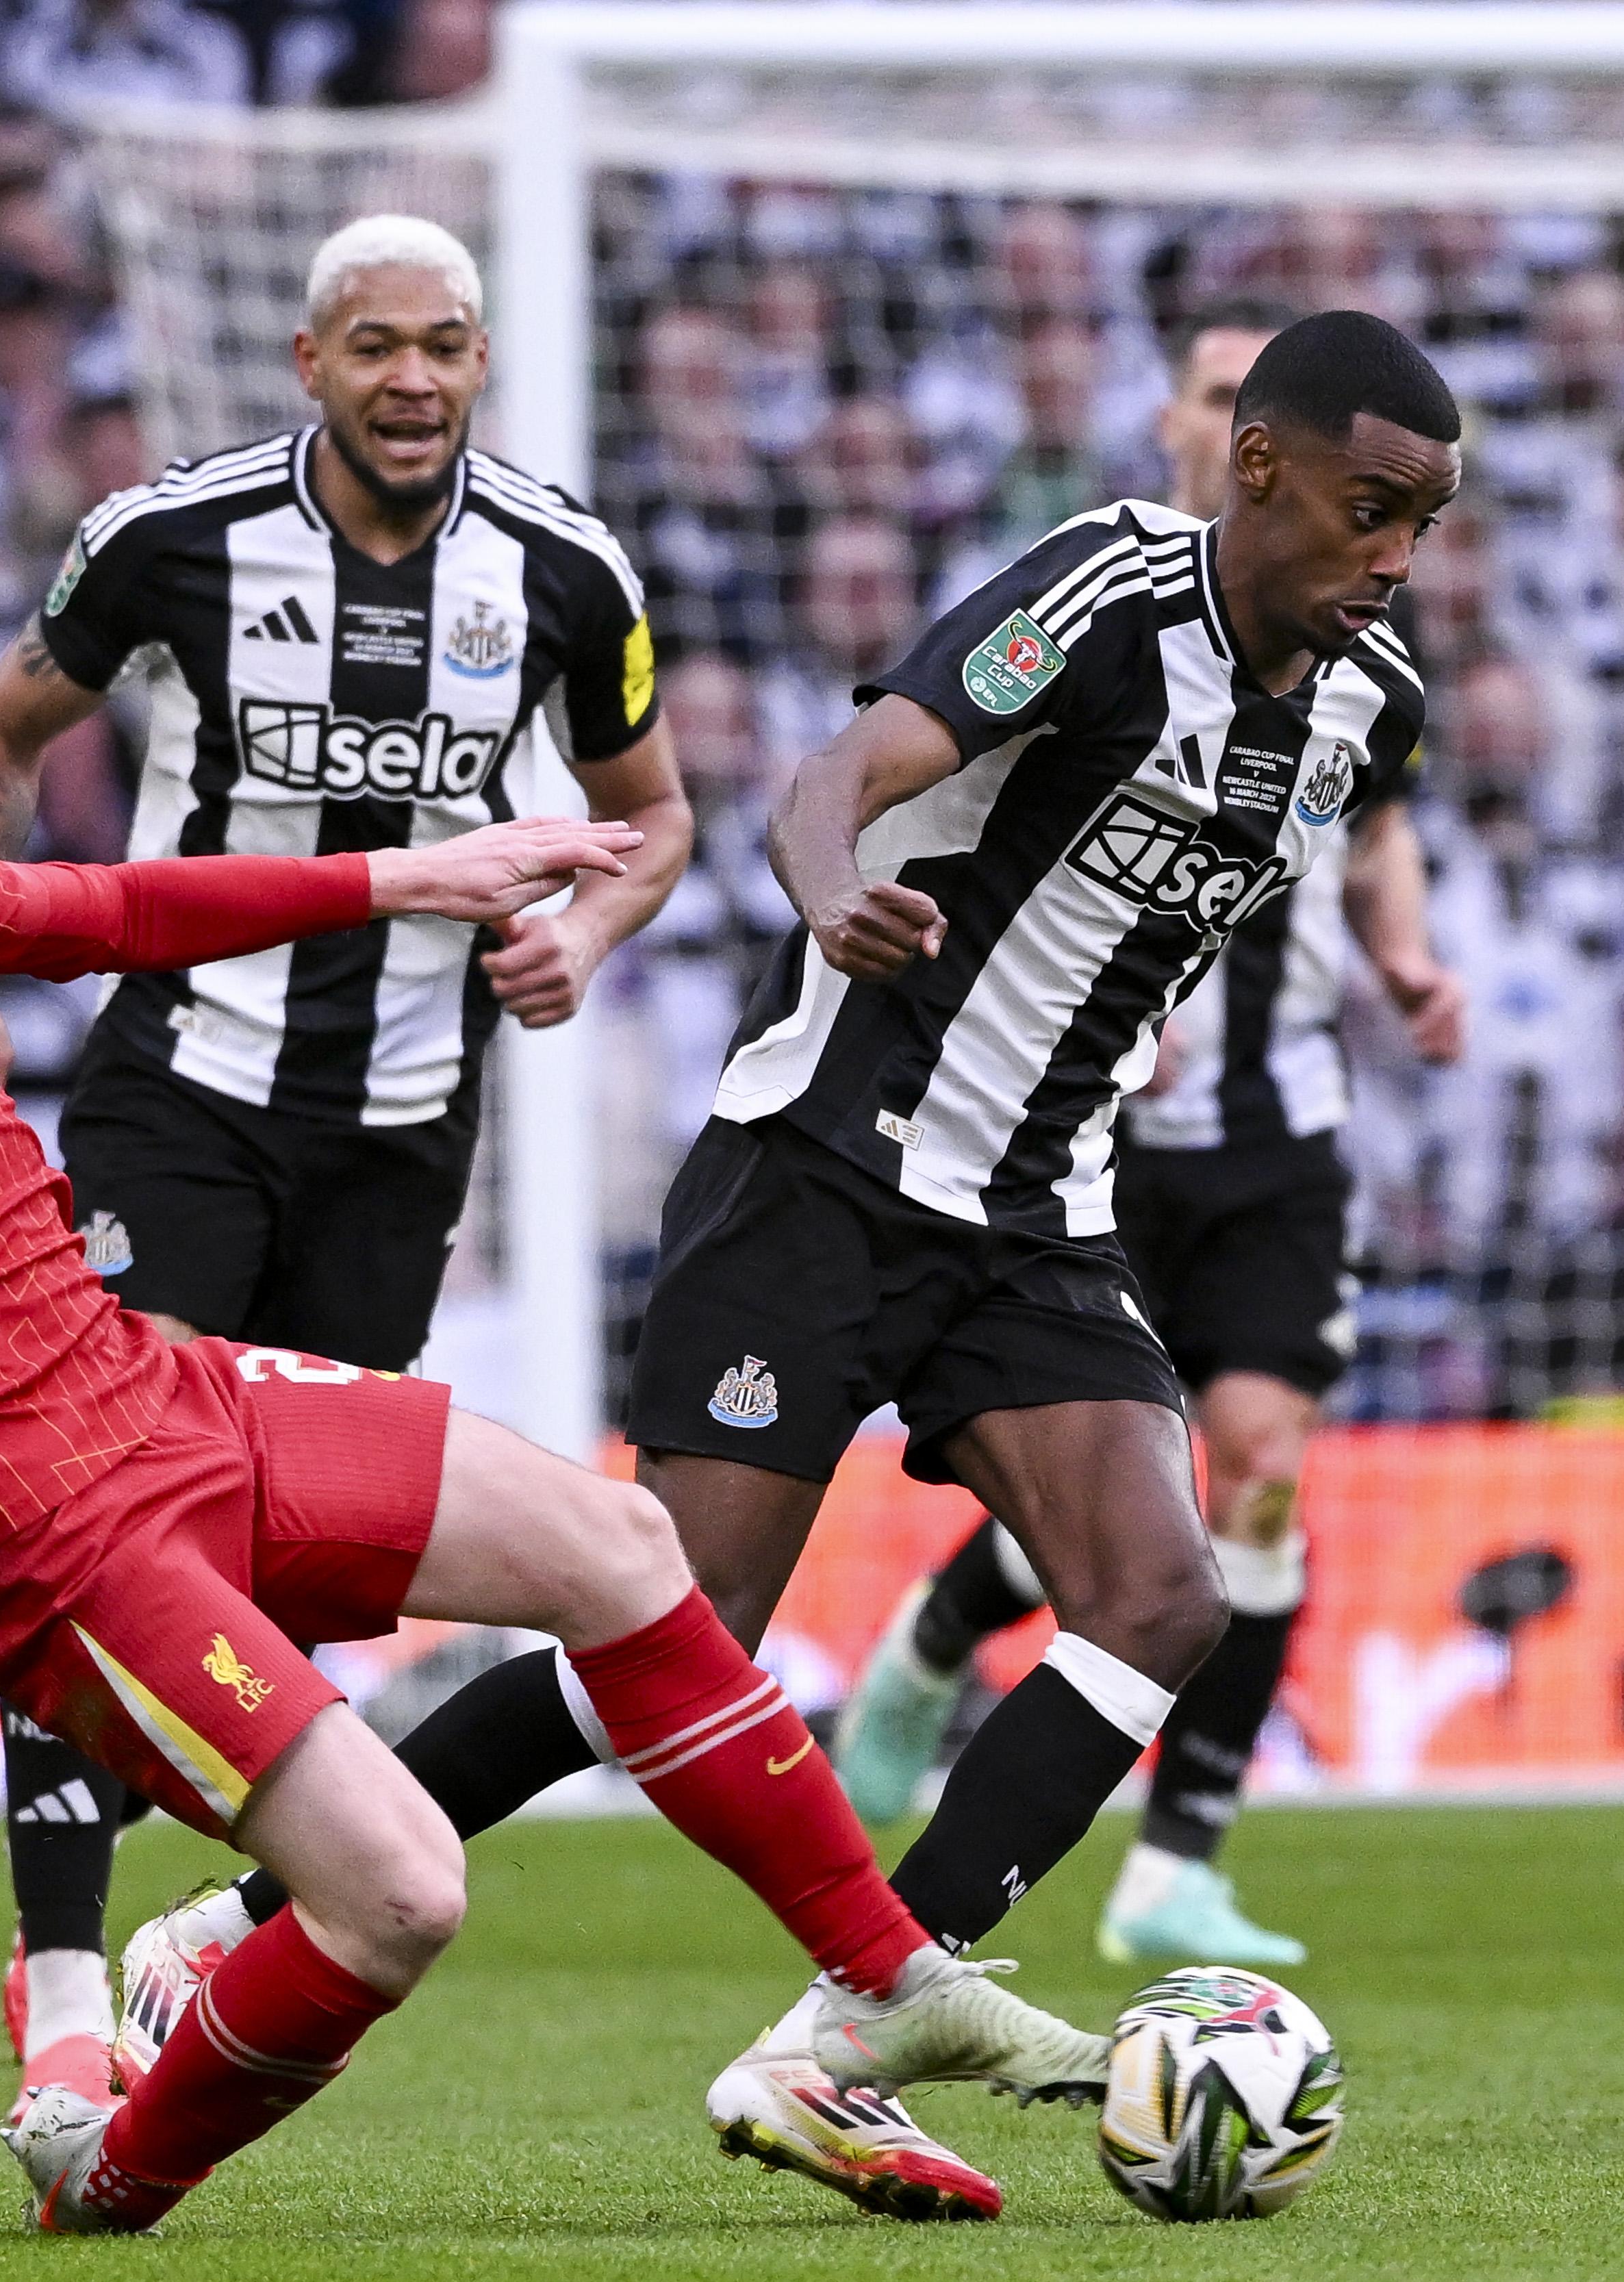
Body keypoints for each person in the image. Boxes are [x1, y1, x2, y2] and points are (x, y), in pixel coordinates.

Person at [0, 574, 1045, 2231]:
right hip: (30, 1519)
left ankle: (886, 1977)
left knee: (620, 1541)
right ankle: (109, 2177)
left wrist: (409, 876)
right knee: (401, 1897)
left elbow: (120, 910)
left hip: (156, 1385)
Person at [112, 306, 1464, 2205]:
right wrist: (841, 899)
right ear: (1260, 468)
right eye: (1372, 508)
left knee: (1164, 1593)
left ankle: (851, 2030)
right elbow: (833, 778)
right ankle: (230, 1919)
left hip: (1034, 1212)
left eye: (1427, 522)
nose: (1396, 556)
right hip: (823, 1168)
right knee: (673, 1637)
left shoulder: (1366, 710)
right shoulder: (1097, 594)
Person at [0, 214, 693, 2129]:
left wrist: (584, 944)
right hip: (178, 1084)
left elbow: (653, 818)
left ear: (482, 361)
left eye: (443, 343)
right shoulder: (165, 537)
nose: (411, 378)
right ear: (306, 358)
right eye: (375, 346)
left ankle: (226, 1910)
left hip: (406, 1121)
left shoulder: (567, 569)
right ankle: (70, 1978)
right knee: (91, 1507)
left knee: (289, 1574)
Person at [829, 296, 1469, 1968]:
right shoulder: (1112, 607)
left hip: (1277, 1126)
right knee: (1114, 1489)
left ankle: (1177, 1852)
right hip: (1074, 1124)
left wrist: (1402, 955)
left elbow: (1381, 822)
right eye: (1196, 391)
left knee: (1251, 1472)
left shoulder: (1360, 654)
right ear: (1218, 435)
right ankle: (930, 1640)